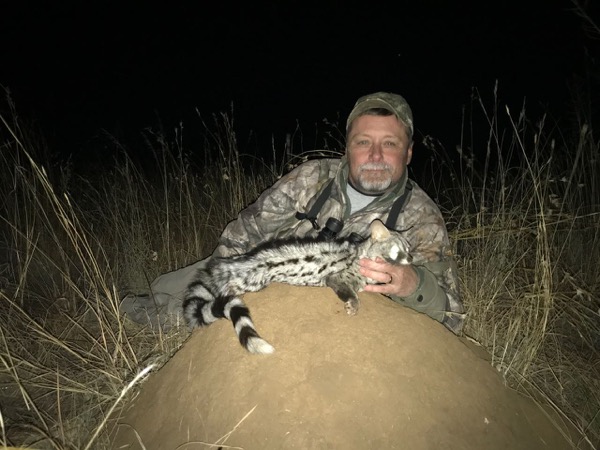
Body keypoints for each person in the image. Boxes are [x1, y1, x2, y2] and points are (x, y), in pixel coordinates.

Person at [120, 92, 465, 334]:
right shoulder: (312, 177)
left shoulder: (422, 218)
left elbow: (451, 315)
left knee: (179, 320)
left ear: (408, 152)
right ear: (348, 148)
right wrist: (228, 276)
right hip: (260, 270)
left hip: (313, 314)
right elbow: (247, 229)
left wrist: (413, 284)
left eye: (389, 143)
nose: (375, 155)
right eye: (363, 142)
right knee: (157, 294)